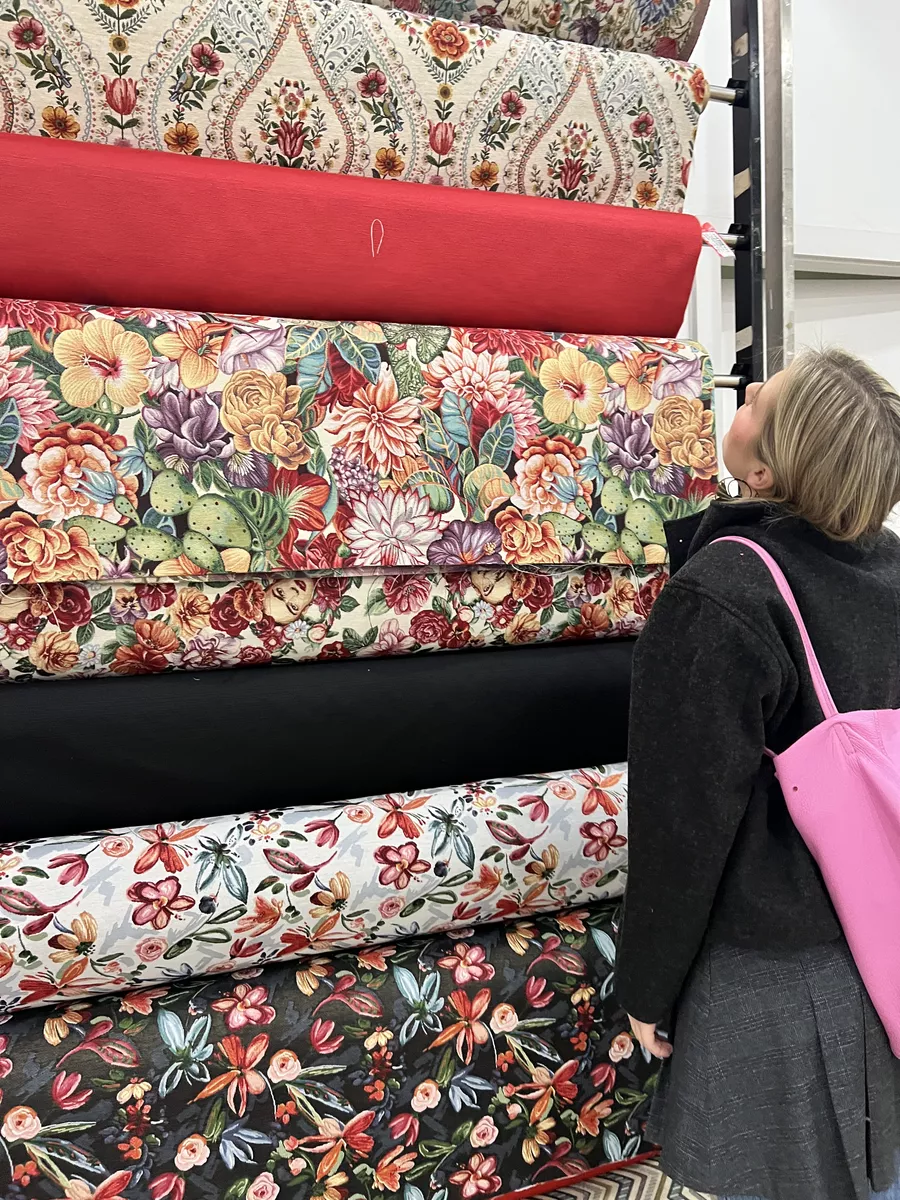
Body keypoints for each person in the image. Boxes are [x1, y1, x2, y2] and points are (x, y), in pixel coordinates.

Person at [616, 347, 900, 1200]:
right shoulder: (887, 566)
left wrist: (648, 987)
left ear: (768, 469)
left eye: (756, 402)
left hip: (780, 967)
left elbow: (682, 821)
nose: (740, 396)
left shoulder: (724, 594)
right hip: (881, 934)